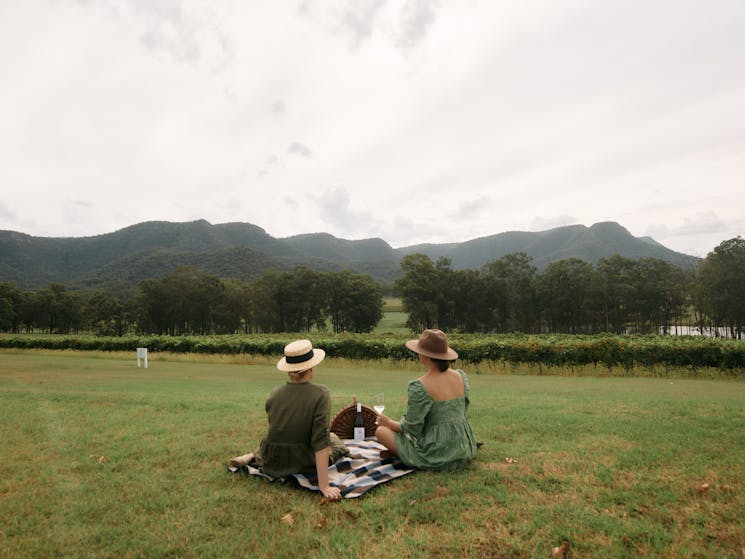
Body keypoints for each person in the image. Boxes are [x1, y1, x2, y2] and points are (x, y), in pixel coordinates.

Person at [230, 339, 344, 500]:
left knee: (279, 439)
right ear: (311, 368)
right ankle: (251, 456)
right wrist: (324, 485)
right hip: (301, 459)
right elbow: (320, 441)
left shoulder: (275, 392)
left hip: (271, 458)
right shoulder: (321, 394)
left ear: (289, 370)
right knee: (335, 440)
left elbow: (279, 428)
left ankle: (251, 456)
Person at [375, 329, 477, 470]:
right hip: (464, 447)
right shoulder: (460, 376)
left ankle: (408, 455)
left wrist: (388, 423)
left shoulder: (420, 386)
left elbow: (412, 428)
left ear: (425, 355)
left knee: (380, 431)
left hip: (437, 453)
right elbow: (461, 411)